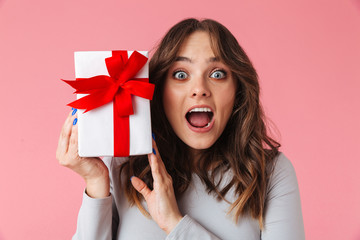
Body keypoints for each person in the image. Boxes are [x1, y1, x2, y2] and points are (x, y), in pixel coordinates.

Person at [56, 18, 305, 240]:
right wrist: (97, 184)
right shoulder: (122, 166)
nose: (199, 89)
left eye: (217, 74)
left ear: (238, 90)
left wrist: (175, 224)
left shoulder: (272, 173)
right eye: (181, 74)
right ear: (159, 90)